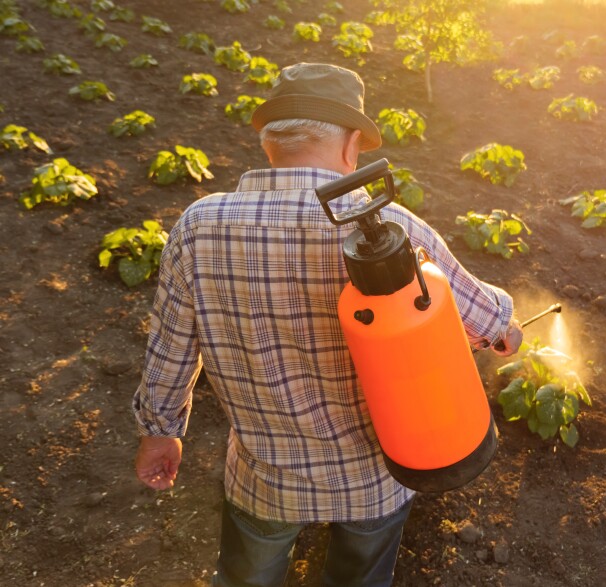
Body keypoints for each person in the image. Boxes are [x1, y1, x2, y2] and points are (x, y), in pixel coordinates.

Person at [132, 62, 523, 587]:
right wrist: (506, 330)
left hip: (264, 477)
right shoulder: (391, 230)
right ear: (351, 145)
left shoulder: (198, 227)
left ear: (271, 144)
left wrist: (160, 433)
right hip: (377, 479)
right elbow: (483, 322)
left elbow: (170, 345)